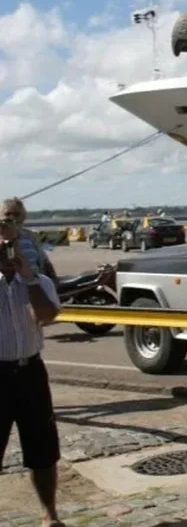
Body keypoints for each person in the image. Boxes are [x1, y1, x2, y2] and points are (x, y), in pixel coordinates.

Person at [0, 212, 63, 527]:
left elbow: (47, 316)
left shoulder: (39, 283)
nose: (6, 251)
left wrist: (27, 277)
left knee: (43, 448)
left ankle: (50, 515)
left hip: (30, 373)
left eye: (11, 244)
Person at [0, 198, 57, 284]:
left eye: (16, 214)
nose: (12, 218)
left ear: (23, 217)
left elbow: (44, 260)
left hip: (36, 283)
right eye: (8, 214)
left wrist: (54, 280)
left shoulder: (30, 236)